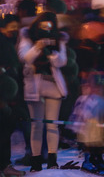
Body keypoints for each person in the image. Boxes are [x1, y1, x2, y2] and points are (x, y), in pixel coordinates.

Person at [17, 12, 69, 171]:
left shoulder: (59, 39)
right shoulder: (27, 36)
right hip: (34, 84)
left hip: (53, 83)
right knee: (36, 125)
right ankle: (36, 161)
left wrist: (52, 53)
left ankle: (53, 160)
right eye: (43, 25)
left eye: (49, 26)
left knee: (52, 124)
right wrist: (38, 47)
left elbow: (62, 61)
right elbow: (25, 57)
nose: (46, 29)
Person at [0, 15, 25, 177]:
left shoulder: (9, 42)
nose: (14, 29)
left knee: (5, 131)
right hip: (3, 95)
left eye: (17, 26)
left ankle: (4, 165)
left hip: (9, 94)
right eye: (11, 26)